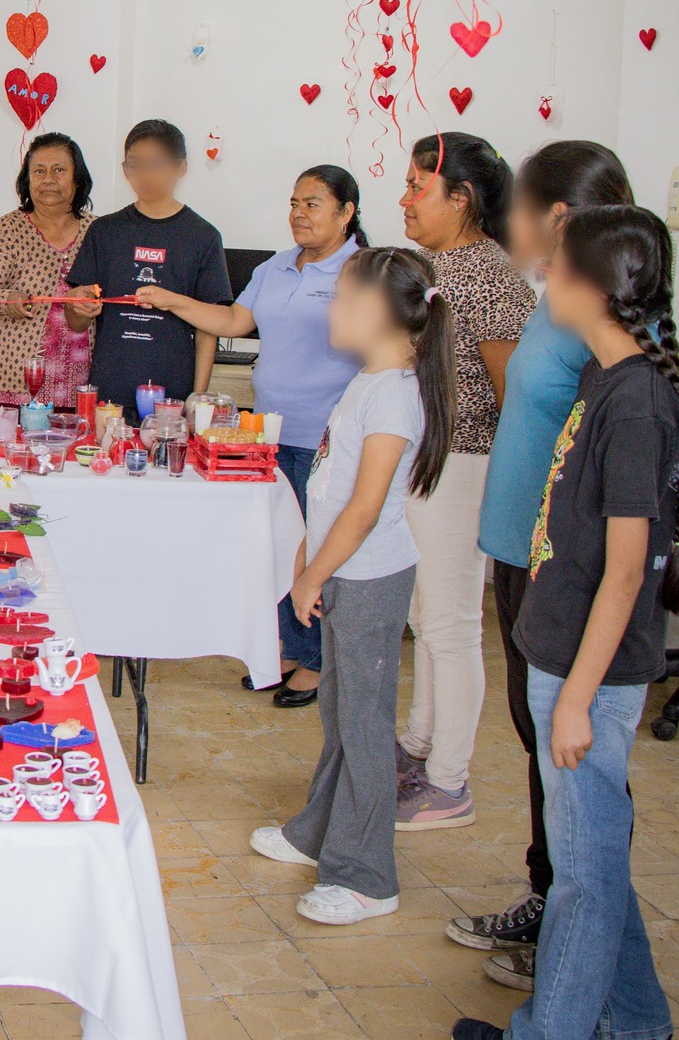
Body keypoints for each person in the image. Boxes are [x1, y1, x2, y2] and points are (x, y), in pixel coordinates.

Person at [452, 204, 679, 1040]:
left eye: (556, 268)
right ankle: (638, 1020)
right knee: (596, 863)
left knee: (583, 880)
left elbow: (627, 568)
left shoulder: (637, 405)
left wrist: (580, 698)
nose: (542, 279)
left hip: (590, 674)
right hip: (562, 654)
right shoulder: (605, 378)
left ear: (590, 286)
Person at [443, 141, 633, 990]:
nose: (505, 219)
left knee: (565, 748)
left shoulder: (605, 318)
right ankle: (547, 893)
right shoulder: (553, 302)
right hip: (521, 550)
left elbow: (611, 449)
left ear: (556, 218)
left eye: (516, 205)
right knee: (535, 740)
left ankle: (571, 922)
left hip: (558, 560)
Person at [247, 247, 455, 927]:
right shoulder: (370, 378)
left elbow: (365, 509)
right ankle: (317, 831)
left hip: (367, 579)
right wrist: (309, 552)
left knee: (364, 725)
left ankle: (368, 876)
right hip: (343, 571)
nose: (330, 310)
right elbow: (334, 485)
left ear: (373, 310)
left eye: (339, 298)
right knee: (340, 711)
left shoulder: (395, 391)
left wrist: (311, 571)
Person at [152, 165, 368, 707]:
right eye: (294, 201)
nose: (298, 212)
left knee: (316, 547)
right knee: (279, 545)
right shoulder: (276, 266)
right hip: (269, 430)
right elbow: (233, 321)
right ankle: (288, 650)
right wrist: (173, 300)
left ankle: (317, 661)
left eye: (314, 204)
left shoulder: (361, 270)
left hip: (326, 435)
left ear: (347, 213)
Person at [396, 131, 534, 831]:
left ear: (463, 197)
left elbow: (518, 397)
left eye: (419, 186)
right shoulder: (433, 264)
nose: (405, 198)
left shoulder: (490, 274)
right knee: (427, 617)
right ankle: (418, 746)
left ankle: (450, 781)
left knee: (450, 624)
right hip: (429, 462)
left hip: (468, 464)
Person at [63, 120, 231, 421]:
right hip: (110, 388)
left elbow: (210, 327)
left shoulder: (203, 236)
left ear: (181, 168)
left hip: (173, 393)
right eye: (135, 165)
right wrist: (78, 306)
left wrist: (197, 398)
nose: (144, 175)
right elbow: (75, 320)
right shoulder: (105, 231)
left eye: (156, 164)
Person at [0, 131, 95, 398]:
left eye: (59, 170)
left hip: (82, 381)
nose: (48, 179)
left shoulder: (96, 230)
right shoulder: (8, 228)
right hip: (16, 379)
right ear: (27, 180)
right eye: (39, 171)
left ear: (77, 178)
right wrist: (7, 300)